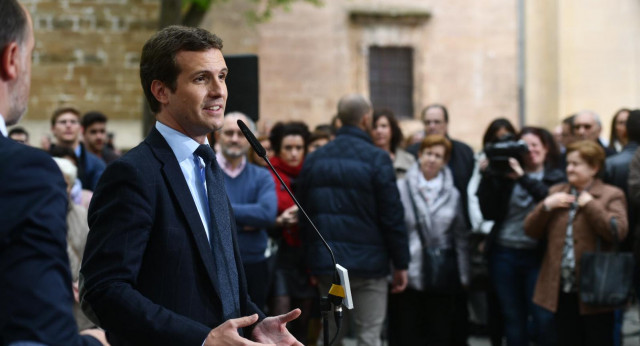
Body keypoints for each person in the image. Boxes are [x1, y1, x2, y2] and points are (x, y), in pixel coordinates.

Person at [80, 25, 301, 346]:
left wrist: (255, 324)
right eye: (201, 79)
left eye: (222, 76)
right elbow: (104, 289)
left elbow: (222, 280)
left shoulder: (208, 166)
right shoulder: (133, 174)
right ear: (161, 91)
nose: (219, 91)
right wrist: (201, 339)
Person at [0, 1, 105, 344]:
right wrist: (95, 341)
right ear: (12, 59)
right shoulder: (23, 171)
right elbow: (43, 334)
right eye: (32, 56)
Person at [297, 94, 410, 346]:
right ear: (366, 119)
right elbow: (392, 216)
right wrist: (401, 263)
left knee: (332, 336)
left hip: (329, 266)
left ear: (339, 120)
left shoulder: (315, 159)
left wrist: (312, 261)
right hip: (370, 267)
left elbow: (304, 216)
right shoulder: (377, 158)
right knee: (369, 336)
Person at [525, 140, 628, 346]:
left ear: (594, 167)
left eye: (576, 164)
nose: (569, 168)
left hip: (596, 289)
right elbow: (530, 231)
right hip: (561, 288)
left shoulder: (611, 194)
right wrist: (545, 206)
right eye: (568, 163)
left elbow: (617, 232)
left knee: (598, 339)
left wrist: (590, 205)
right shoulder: (557, 192)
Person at [477, 127, 564, 346]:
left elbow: (548, 201)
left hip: (539, 255)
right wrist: (487, 178)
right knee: (513, 319)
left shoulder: (556, 175)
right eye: (525, 146)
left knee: (543, 318)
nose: (530, 151)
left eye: (535, 145)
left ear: (546, 147)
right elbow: (489, 211)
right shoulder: (505, 174)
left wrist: (522, 178)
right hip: (505, 252)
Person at [389, 134, 470, 345]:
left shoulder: (453, 194)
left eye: (438, 155)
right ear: (419, 155)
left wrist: (463, 274)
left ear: (444, 161)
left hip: (440, 272)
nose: (432, 159)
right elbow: (393, 229)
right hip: (408, 269)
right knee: (407, 331)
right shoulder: (401, 188)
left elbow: (459, 236)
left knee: (438, 331)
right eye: (428, 153)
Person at [216, 112, 277, 311]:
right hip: (216, 263)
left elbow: (267, 214)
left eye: (241, 134)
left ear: (250, 139)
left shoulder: (262, 176)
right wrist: (247, 220)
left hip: (254, 263)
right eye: (229, 133)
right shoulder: (204, 171)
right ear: (218, 136)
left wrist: (222, 210)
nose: (235, 139)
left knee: (254, 327)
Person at [467, 118, 517, 346]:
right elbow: (474, 197)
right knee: (494, 299)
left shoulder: (519, 164)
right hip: (492, 236)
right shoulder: (482, 162)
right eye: (497, 140)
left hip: (518, 236)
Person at [267, 121, 315, 344]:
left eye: (299, 148)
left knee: (303, 322)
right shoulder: (269, 174)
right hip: (280, 254)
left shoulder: (312, 174)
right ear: (278, 149)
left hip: (306, 255)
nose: (294, 153)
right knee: (280, 317)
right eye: (288, 148)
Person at [50, 106, 106, 190]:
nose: (68, 125)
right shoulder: (44, 160)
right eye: (63, 122)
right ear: (53, 129)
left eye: (73, 122)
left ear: (81, 129)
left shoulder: (96, 165)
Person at [371, 108, 416, 179]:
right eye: (374, 127)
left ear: (392, 130)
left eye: (384, 126)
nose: (379, 131)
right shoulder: (364, 160)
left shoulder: (408, 160)